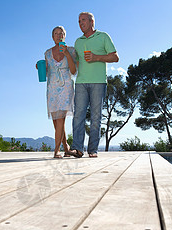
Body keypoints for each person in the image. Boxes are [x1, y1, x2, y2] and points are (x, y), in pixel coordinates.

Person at [68, 12, 119, 158]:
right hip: (81, 82)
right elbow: (75, 63)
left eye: (83, 20)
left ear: (92, 22)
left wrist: (97, 57)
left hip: (98, 82)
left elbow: (115, 57)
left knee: (96, 117)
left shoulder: (103, 36)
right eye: (78, 21)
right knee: (78, 116)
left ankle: (92, 150)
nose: (80, 23)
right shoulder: (78, 41)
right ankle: (77, 148)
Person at [39, 26, 77, 158]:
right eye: (56, 33)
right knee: (56, 120)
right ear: (52, 36)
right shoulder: (47, 53)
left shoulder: (71, 50)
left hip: (66, 86)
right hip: (52, 88)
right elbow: (47, 70)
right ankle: (66, 148)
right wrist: (40, 67)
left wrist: (66, 53)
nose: (59, 35)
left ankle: (56, 150)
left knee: (61, 118)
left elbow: (73, 71)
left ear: (65, 36)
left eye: (61, 33)